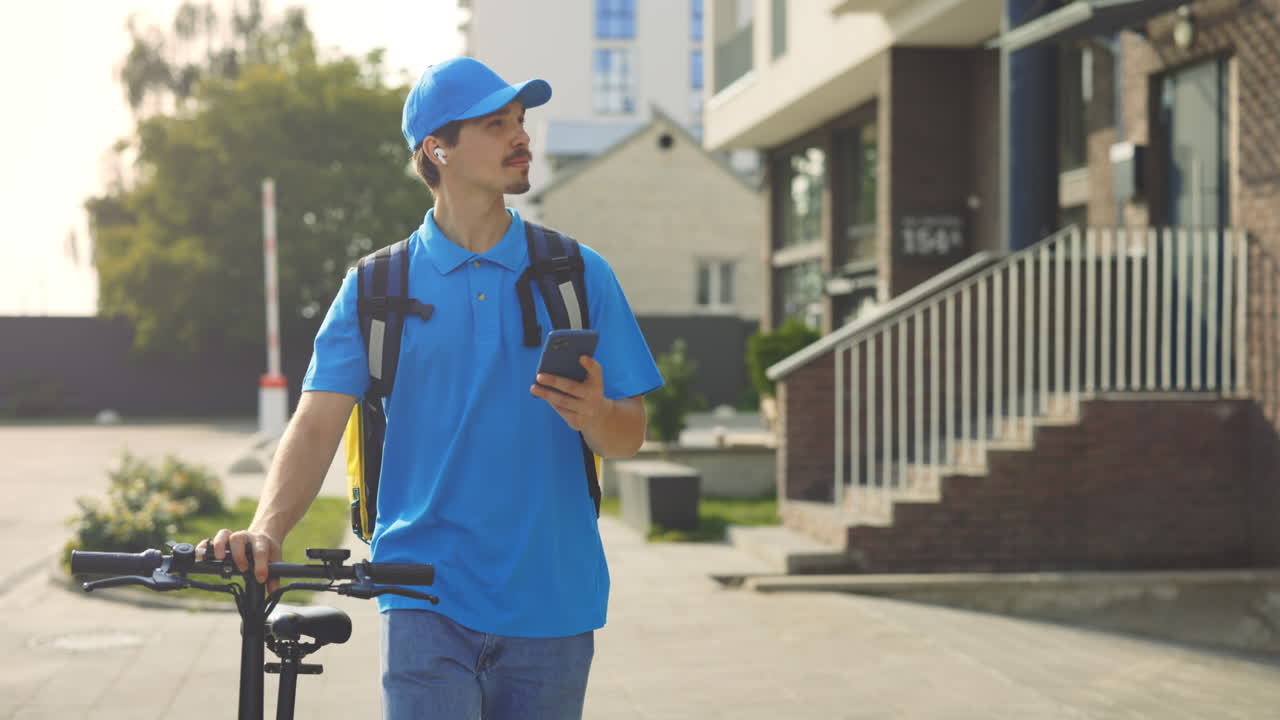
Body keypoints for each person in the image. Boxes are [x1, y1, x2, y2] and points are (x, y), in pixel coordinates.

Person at [202, 57, 664, 719]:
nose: (521, 137)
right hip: (421, 595)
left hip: (552, 600)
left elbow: (630, 435)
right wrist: (267, 529)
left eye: (521, 121)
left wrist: (595, 413)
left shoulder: (577, 274)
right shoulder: (376, 288)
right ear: (436, 148)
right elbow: (314, 424)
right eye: (496, 123)